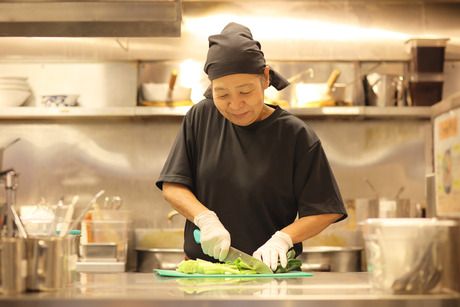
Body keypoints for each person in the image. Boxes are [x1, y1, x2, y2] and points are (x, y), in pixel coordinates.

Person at [156, 22, 347, 271]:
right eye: (222, 94)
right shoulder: (200, 118)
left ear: (265, 78)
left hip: (267, 274)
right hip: (204, 274)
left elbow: (325, 209)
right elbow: (173, 186)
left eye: (245, 91)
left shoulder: (295, 135)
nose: (235, 105)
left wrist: (283, 238)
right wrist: (205, 218)